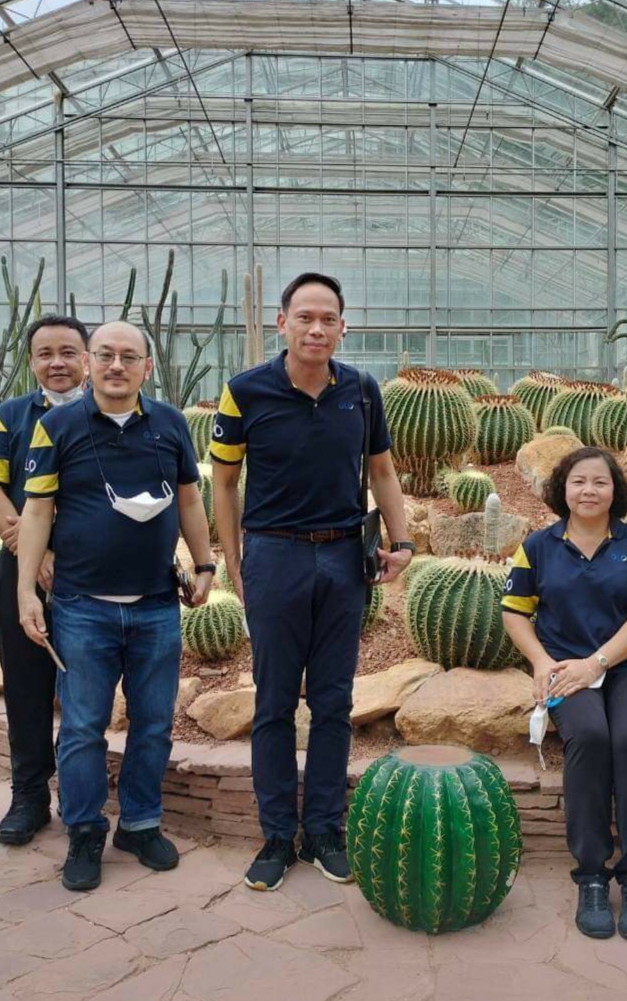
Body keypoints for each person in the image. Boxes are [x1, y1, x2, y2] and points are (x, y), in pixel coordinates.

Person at [211, 272, 412, 892]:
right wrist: (234, 560)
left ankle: (324, 829)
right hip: (275, 556)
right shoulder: (244, 392)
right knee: (273, 702)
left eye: (328, 319)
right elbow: (223, 482)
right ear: (283, 323)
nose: (316, 328)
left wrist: (403, 541)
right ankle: (277, 834)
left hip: (344, 559)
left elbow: (381, 469)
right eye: (305, 317)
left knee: (333, 702)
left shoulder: (362, 390)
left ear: (343, 327)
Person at [16, 320, 215, 892]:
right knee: (83, 727)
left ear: (147, 367)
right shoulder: (57, 426)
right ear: (89, 362)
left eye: (129, 357)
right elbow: (37, 511)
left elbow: (189, 499)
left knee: (154, 723)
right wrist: (27, 590)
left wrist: (205, 565)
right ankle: (83, 832)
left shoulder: (170, 424)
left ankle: (140, 824)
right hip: (82, 606)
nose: (116, 366)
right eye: (105, 355)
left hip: (156, 604)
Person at [502, 447, 627, 941]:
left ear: (616, 490)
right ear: (562, 489)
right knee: (589, 736)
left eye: (600, 481)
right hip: (563, 666)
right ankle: (591, 874)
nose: (589, 490)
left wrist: (597, 662)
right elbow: (514, 612)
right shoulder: (538, 545)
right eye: (579, 481)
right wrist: (542, 662)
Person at [0, 315, 88, 845]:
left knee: (88, 686)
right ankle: (29, 795)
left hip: (92, 574)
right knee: (25, 684)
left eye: (67, 352)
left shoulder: (110, 413)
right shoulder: (10, 415)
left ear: (87, 357)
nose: (57, 363)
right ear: (32, 361)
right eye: (45, 354)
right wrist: (30, 550)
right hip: (21, 570)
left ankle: (80, 793)